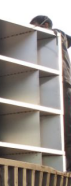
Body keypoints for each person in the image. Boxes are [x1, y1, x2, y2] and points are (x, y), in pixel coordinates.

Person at [30, 15, 71, 171]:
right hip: (50, 86)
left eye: (35, 25)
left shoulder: (56, 35)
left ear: (45, 25)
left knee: (67, 128)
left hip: (62, 84)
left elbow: (63, 36)